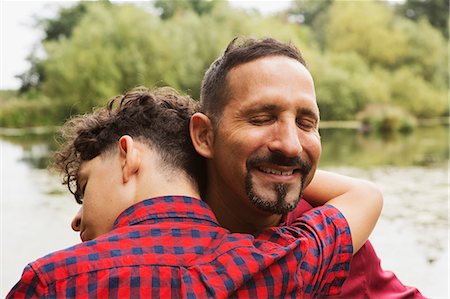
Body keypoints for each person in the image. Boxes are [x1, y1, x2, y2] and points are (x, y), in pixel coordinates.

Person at [7, 87, 382, 298]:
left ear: (127, 155)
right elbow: (363, 196)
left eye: (85, 187)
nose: (77, 219)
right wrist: (239, 162)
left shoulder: (54, 281)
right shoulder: (278, 265)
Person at [190, 37, 424, 298]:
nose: (291, 146)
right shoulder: (159, 239)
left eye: (305, 123)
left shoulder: (338, 235)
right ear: (204, 136)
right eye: (262, 119)